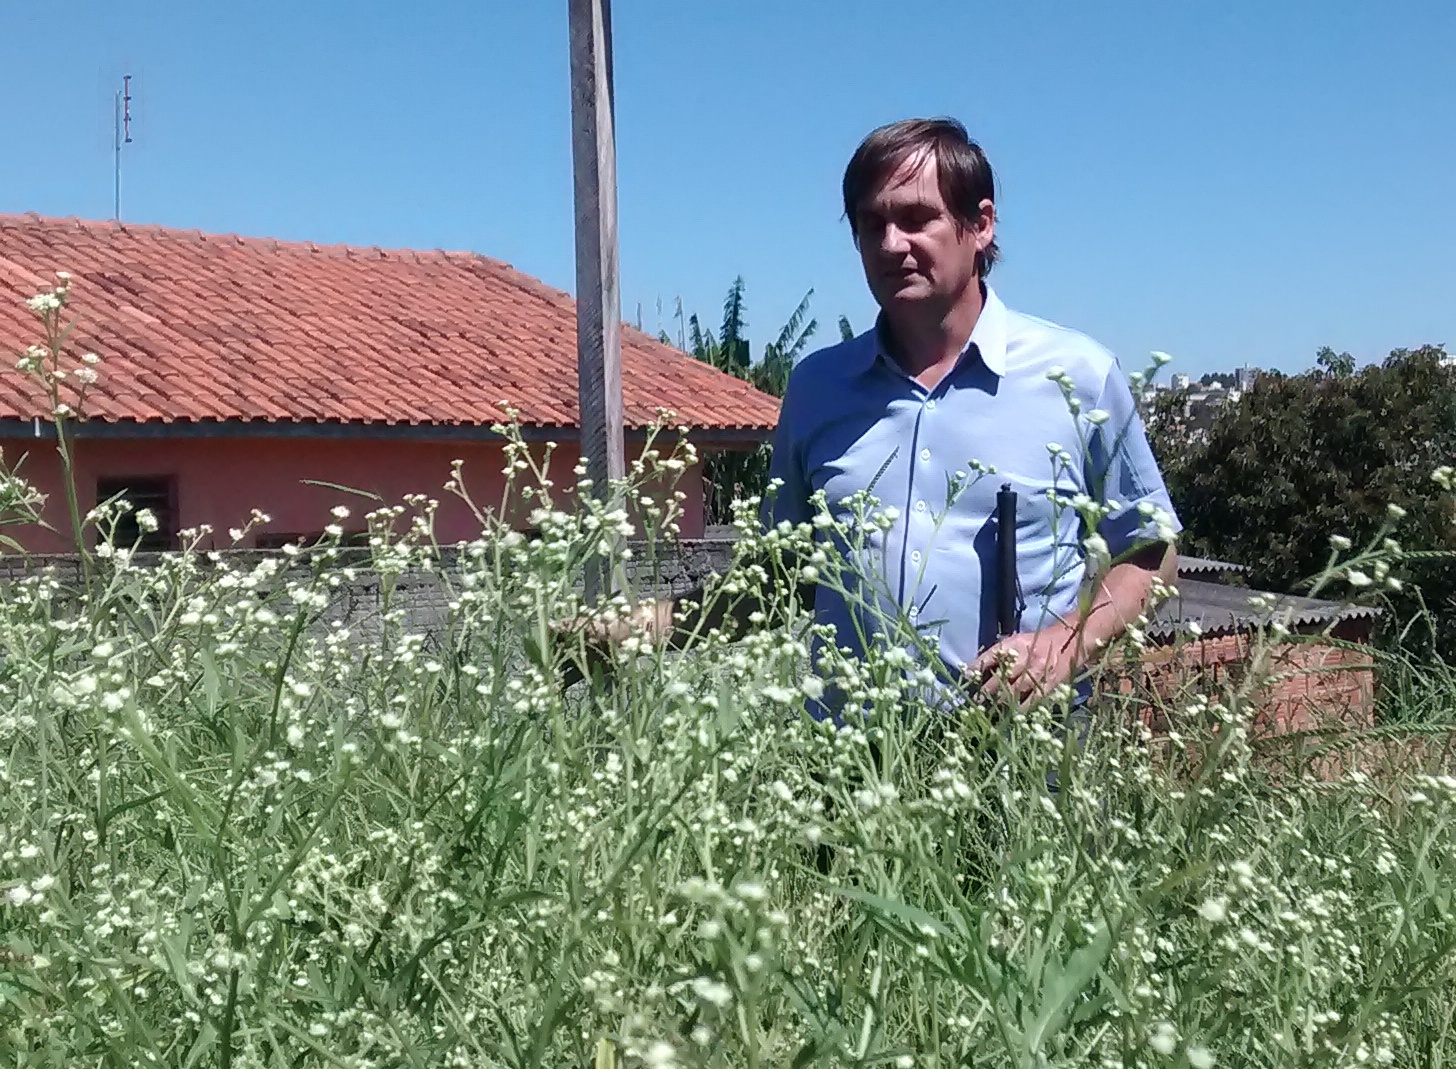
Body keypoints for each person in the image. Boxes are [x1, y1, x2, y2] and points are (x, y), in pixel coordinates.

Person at [565, 117, 1180, 715]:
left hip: (1020, 758)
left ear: (981, 225)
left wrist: (1063, 647)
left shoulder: (1077, 375)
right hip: (853, 770)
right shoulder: (818, 388)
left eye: (917, 219)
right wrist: (647, 626)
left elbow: (1151, 553)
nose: (891, 245)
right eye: (871, 225)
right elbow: (783, 581)